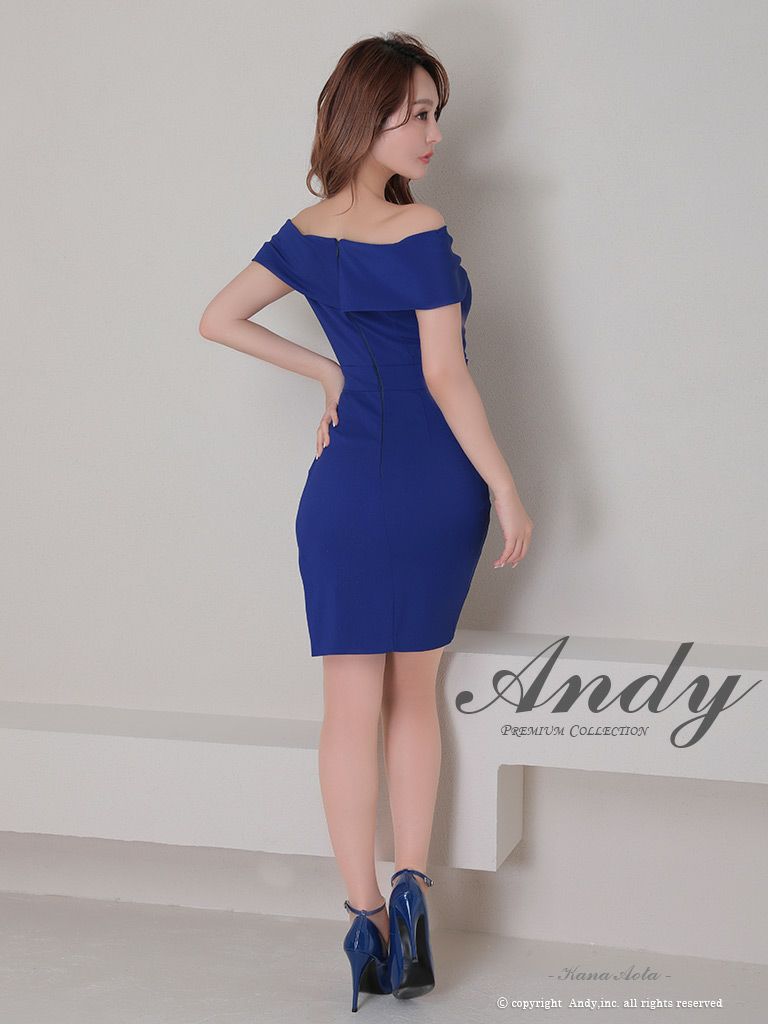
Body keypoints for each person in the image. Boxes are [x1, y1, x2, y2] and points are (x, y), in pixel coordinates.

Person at [199, 31, 533, 1012]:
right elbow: (444, 374)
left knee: (348, 704)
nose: (433, 132)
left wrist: (328, 370)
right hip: (435, 485)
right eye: (415, 113)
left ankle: (364, 921)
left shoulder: (305, 233)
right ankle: (413, 891)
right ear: (365, 115)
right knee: (410, 698)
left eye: (437, 113)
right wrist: (505, 485)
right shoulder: (420, 227)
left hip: (344, 489)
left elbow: (217, 317)